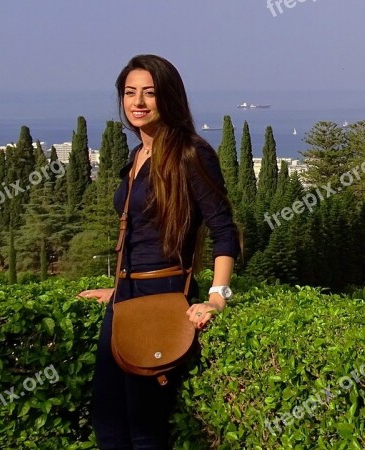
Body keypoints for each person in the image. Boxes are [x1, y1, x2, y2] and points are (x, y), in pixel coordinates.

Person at [77, 54, 240, 449]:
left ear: (168, 97)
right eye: (130, 93)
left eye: (149, 93)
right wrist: (119, 288)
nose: (138, 102)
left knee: (146, 429)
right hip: (126, 300)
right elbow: (140, 235)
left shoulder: (190, 154)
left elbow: (224, 230)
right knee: (108, 423)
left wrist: (217, 298)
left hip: (163, 301)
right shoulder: (136, 157)